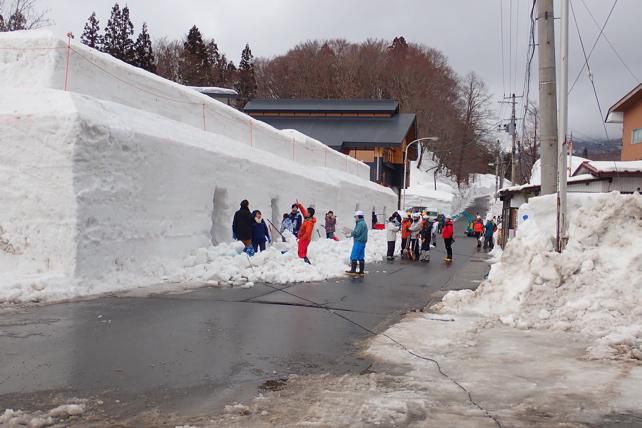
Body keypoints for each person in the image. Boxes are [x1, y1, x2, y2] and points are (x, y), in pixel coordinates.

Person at [346, 210, 368, 275]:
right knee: (361, 256)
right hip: (363, 242)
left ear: (358, 216)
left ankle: (353, 270)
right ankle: (361, 271)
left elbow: (357, 232)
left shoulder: (360, 224)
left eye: (355, 217)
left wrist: (350, 234)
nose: (355, 218)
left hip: (358, 241)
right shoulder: (363, 223)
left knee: (354, 255)